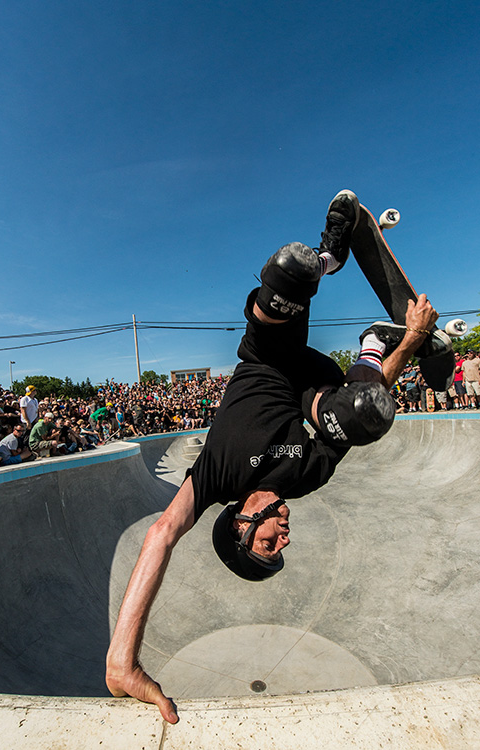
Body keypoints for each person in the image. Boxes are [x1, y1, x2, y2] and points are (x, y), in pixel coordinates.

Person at [105, 190, 440, 723]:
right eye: (280, 545)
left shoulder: (211, 481)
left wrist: (122, 661)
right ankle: (374, 343)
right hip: (315, 387)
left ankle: (331, 257)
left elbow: (161, 535)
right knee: (366, 416)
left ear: (240, 525)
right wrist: (409, 343)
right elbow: (358, 417)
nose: (284, 535)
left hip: (268, 356)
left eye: (268, 543)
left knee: (291, 270)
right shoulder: (304, 477)